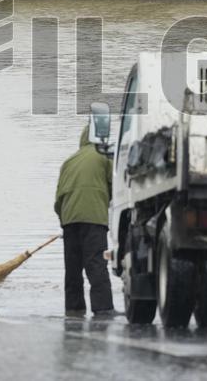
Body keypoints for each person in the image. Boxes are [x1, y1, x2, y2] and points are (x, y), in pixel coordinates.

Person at [54, 123, 115, 318]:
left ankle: (74, 309)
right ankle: (103, 309)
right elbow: (114, 184)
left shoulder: (68, 162)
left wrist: (65, 221)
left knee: (72, 268)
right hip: (94, 218)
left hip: (69, 219)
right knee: (96, 263)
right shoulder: (104, 156)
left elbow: (58, 200)